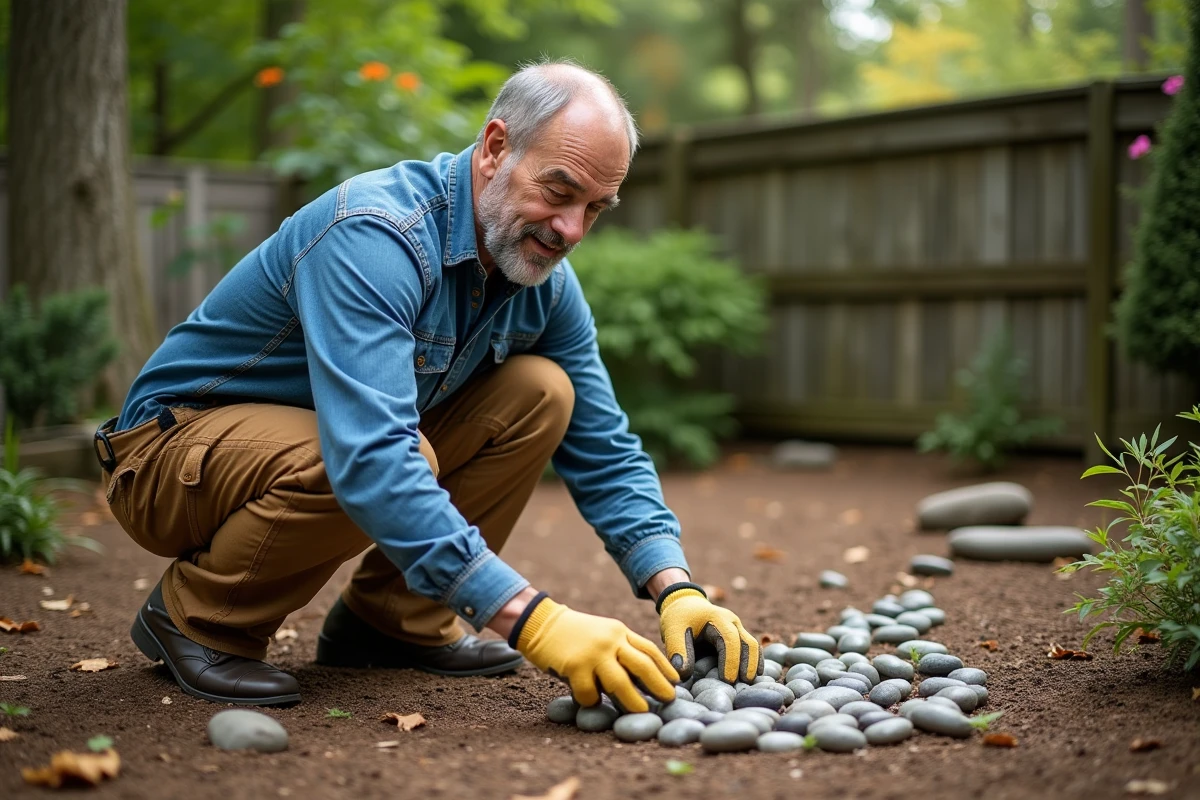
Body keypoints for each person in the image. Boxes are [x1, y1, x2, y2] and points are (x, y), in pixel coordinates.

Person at [95, 60, 762, 711]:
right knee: (392, 453)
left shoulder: (542, 285)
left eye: (596, 208)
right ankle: (199, 620)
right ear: (495, 148)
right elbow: (373, 459)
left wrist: (676, 587)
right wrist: (533, 621)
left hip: (309, 446)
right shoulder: (375, 236)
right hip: (167, 459)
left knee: (543, 391)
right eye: (560, 192)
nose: (571, 230)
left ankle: (391, 622)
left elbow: (605, 443)